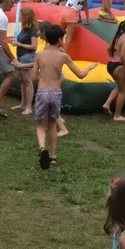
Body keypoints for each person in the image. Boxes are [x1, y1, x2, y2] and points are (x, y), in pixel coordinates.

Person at [32, 24, 97, 169]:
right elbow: (80, 74)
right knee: (53, 124)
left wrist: (42, 76)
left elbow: (33, 77)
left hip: (42, 92)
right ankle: (53, 156)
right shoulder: (63, 56)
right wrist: (88, 68)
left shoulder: (39, 55)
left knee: (41, 125)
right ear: (60, 39)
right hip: (56, 92)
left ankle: (42, 148)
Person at [102, 19, 125, 122]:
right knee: (123, 90)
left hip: (111, 64)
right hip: (118, 66)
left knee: (120, 86)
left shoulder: (118, 36)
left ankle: (107, 104)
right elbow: (123, 56)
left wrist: (112, 57)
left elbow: (108, 48)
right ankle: (117, 115)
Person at [10, 7, 39, 115]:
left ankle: (28, 107)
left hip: (27, 57)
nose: (20, 18)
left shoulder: (33, 30)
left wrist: (20, 44)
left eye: (22, 16)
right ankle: (23, 103)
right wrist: (15, 42)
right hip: (21, 56)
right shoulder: (24, 29)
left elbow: (34, 46)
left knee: (27, 82)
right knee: (22, 81)